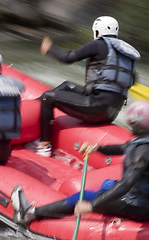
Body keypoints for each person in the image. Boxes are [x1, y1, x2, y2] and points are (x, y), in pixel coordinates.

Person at [10, 100, 149, 223]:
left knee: (79, 197)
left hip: (142, 208)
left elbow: (126, 184)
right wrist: (97, 148)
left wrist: (92, 205)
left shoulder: (143, 153)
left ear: (136, 123)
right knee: (107, 184)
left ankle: (29, 214)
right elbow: (123, 148)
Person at [30, 16, 141, 157]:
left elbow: (68, 57)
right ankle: (33, 108)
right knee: (67, 86)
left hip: (95, 109)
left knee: (48, 97)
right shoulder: (125, 54)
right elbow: (131, 80)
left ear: (97, 31)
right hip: (111, 113)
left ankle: (44, 146)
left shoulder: (98, 45)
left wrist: (49, 50)